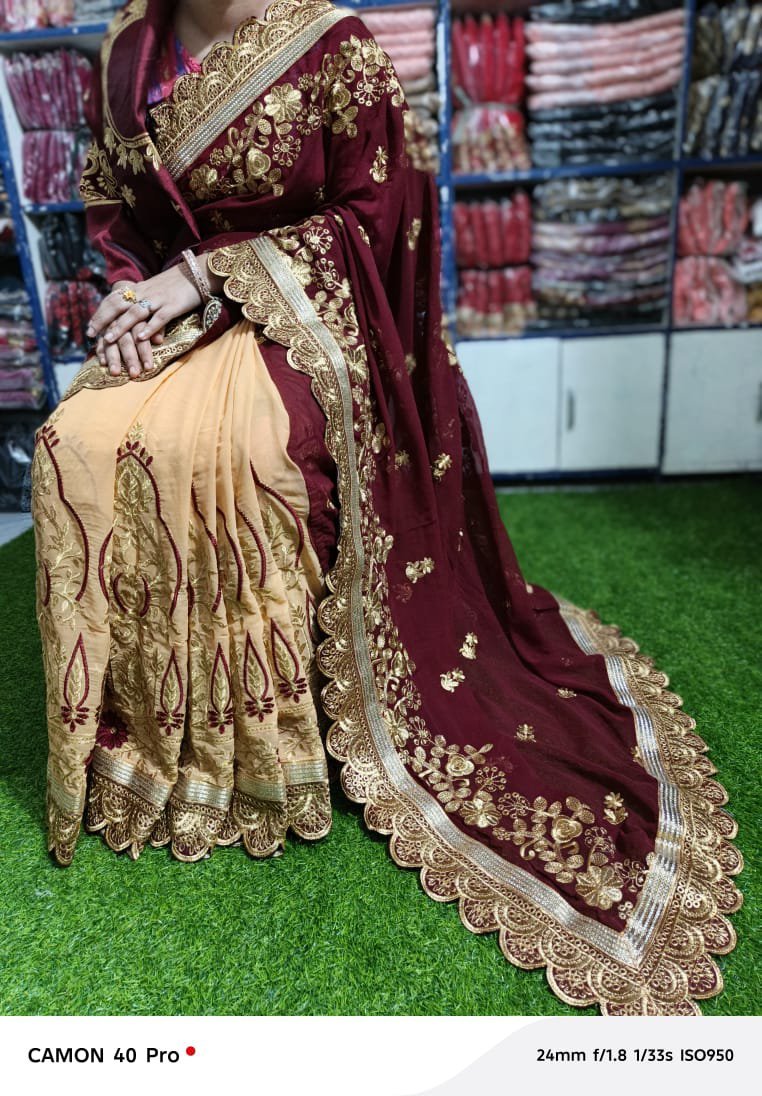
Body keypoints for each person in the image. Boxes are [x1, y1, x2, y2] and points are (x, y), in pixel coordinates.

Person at [30, 0, 742, 1015]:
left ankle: (269, 746)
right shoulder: (125, 54)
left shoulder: (333, 47)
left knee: (237, 451)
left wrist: (208, 275)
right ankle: (148, 745)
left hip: (305, 324)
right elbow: (117, 215)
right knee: (72, 442)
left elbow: (382, 216)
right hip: (176, 324)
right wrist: (129, 298)